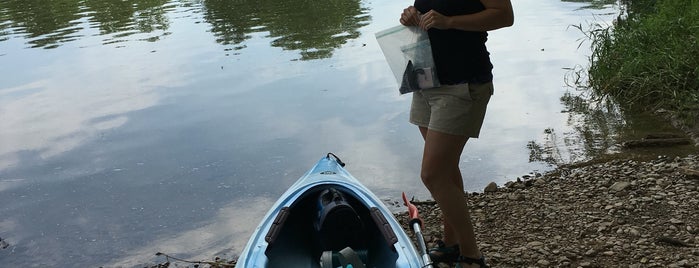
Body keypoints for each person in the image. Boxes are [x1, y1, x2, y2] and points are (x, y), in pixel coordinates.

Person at [399, 1, 514, 268]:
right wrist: (411, 16)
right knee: (446, 170)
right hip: (425, 78)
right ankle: (452, 244)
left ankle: (473, 256)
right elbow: (428, 14)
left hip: (463, 84)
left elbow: (504, 16)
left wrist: (449, 21)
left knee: (433, 174)